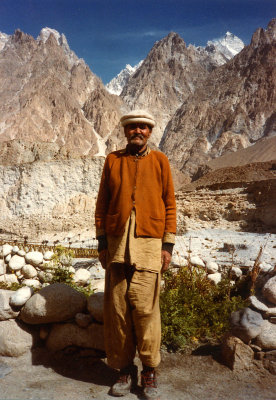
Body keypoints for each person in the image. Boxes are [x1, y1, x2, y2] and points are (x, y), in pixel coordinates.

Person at [95, 109, 176, 399]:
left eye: (143, 127)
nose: (137, 132)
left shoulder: (160, 161)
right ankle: (123, 369)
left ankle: (150, 370)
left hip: (149, 245)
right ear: (126, 131)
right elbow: (102, 202)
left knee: (145, 310)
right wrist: (102, 241)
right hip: (116, 245)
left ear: (149, 132)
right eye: (132, 127)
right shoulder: (112, 160)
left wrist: (168, 246)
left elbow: (169, 203)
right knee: (117, 309)